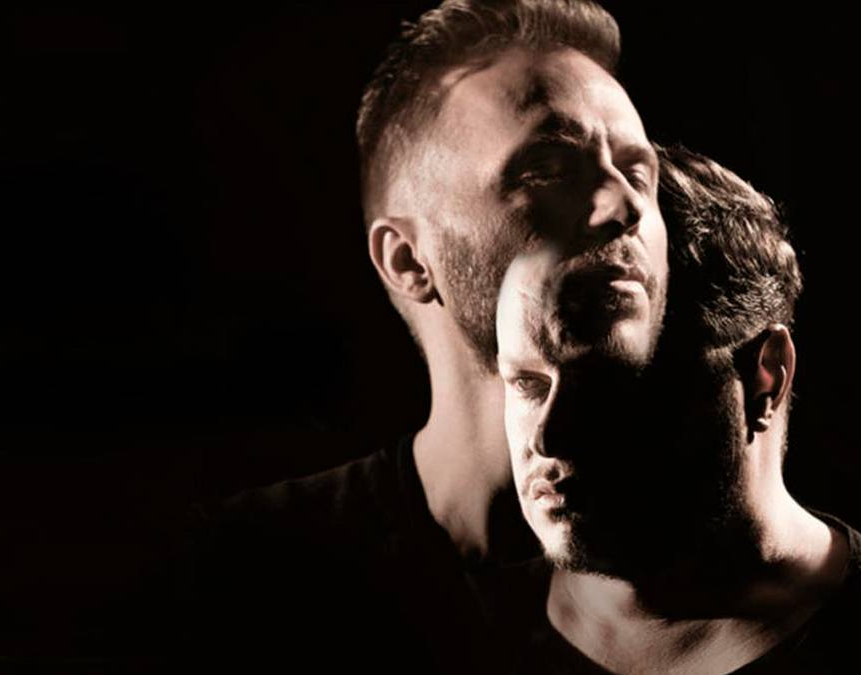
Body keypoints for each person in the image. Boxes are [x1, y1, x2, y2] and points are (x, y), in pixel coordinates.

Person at [183, 1, 667, 673]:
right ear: (409, 261)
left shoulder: (737, 580)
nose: (628, 206)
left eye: (638, 172)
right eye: (550, 167)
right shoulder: (247, 574)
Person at [494, 144, 861, 674]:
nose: (548, 436)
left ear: (766, 377)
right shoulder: (446, 627)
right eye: (527, 383)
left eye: (606, 387)